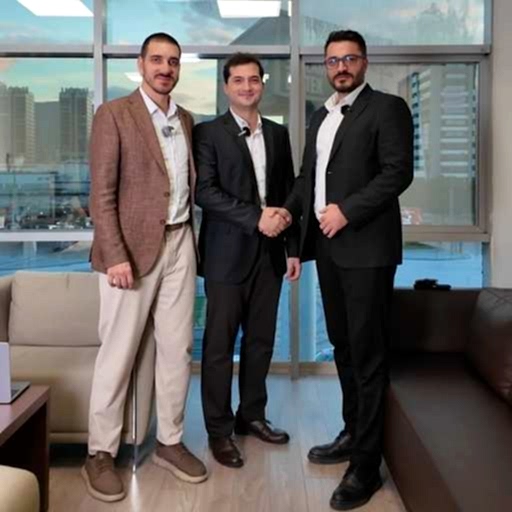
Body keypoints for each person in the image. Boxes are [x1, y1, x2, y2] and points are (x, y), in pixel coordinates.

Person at [284, 30, 413, 510]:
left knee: (368, 355)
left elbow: (397, 172)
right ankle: (354, 432)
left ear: (364, 62)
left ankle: (366, 467)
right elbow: (308, 180)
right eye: (333, 60)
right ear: (325, 66)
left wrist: (347, 211)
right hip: (329, 250)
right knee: (342, 347)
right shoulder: (321, 115)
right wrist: (288, 219)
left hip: (367, 250)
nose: (341, 67)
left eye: (349, 58)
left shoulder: (387, 109)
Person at [82, 32, 207, 503]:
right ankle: (99, 453)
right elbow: (102, 194)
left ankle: (170, 442)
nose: (165, 68)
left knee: (178, 350)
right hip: (130, 254)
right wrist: (115, 254)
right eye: (157, 59)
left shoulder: (185, 119)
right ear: (140, 64)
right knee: (118, 353)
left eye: (173, 61)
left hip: (180, 243)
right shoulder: (114, 114)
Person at [194, 53, 300, 469]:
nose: (247, 87)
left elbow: (288, 191)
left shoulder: (277, 134)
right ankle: (219, 431)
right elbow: (205, 192)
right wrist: (257, 217)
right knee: (219, 347)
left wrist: (292, 247)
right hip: (225, 257)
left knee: (260, 342)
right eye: (238, 80)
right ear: (226, 87)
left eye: (253, 80)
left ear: (262, 84)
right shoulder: (208, 133)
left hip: (270, 257)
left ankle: (251, 415)